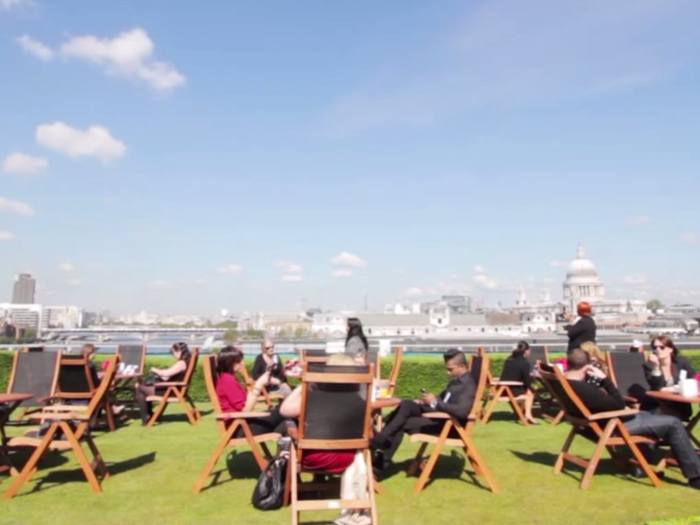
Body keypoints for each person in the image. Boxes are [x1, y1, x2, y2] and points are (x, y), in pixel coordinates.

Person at [564, 348, 700, 488]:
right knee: (674, 423)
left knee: (655, 417)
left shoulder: (564, 381)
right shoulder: (584, 389)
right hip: (611, 426)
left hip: (592, 426)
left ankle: (642, 466)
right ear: (587, 367)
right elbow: (618, 404)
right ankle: (696, 476)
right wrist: (605, 380)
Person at [280, 353, 370, 525]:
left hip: (311, 458)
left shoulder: (312, 398)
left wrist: (303, 386)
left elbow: (284, 410)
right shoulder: (360, 401)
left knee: (288, 433)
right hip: (346, 459)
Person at [371, 349, 476, 472]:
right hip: (440, 418)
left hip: (450, 426)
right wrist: (430, 399)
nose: (447, 372)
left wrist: (435, 402)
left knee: (399, 421)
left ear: (462, 366)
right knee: (407, 404)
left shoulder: (468, 384)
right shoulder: (456, 381)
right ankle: (380, 446)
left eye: (450, 369)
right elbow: (442, 399)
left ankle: (379, 452)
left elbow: (462, 411)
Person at [216, 346, 285, 435]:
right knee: (284, 412)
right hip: (238, 427)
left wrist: (260, 383)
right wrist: (259, 385)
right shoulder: (228, 381)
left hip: (240, 424)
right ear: (229, 363)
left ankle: (285, 445)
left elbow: (246, 399)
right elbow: (245, 410)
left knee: (286, 423)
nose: (243, 364)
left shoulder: (227, 378)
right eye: (239, 361)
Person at [134, 342, 191, 425]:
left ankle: (146, 417)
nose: (173, 355)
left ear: (178, 351)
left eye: (173, 353)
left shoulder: (181, 363)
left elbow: (165, 374)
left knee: (139, 388)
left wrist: (154, 369)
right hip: (175, 389)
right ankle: (149, 414)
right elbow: (170, 375)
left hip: (172, 391)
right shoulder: (186, 361)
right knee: (145, 387)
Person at [643, 335, 697, 421]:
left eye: (662, 347)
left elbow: (695, 378)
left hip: (680, 406)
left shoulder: (681, 363)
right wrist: (656, 367)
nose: (658, 349)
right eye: (655, 347)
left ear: (670, 349)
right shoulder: (649, 366)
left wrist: (672, 389)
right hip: (658, 405)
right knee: (668, 419)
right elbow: (657, 387)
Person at [499, 341, 537, 424]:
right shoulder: (524, 363)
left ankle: (522, 412)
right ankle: (528, 414)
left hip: (502, 389)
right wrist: (532, 386)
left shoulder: (509, 359)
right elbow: (527, 381)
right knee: (530, 393)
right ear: (526, 351)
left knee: (528, 390)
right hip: (511, 389)